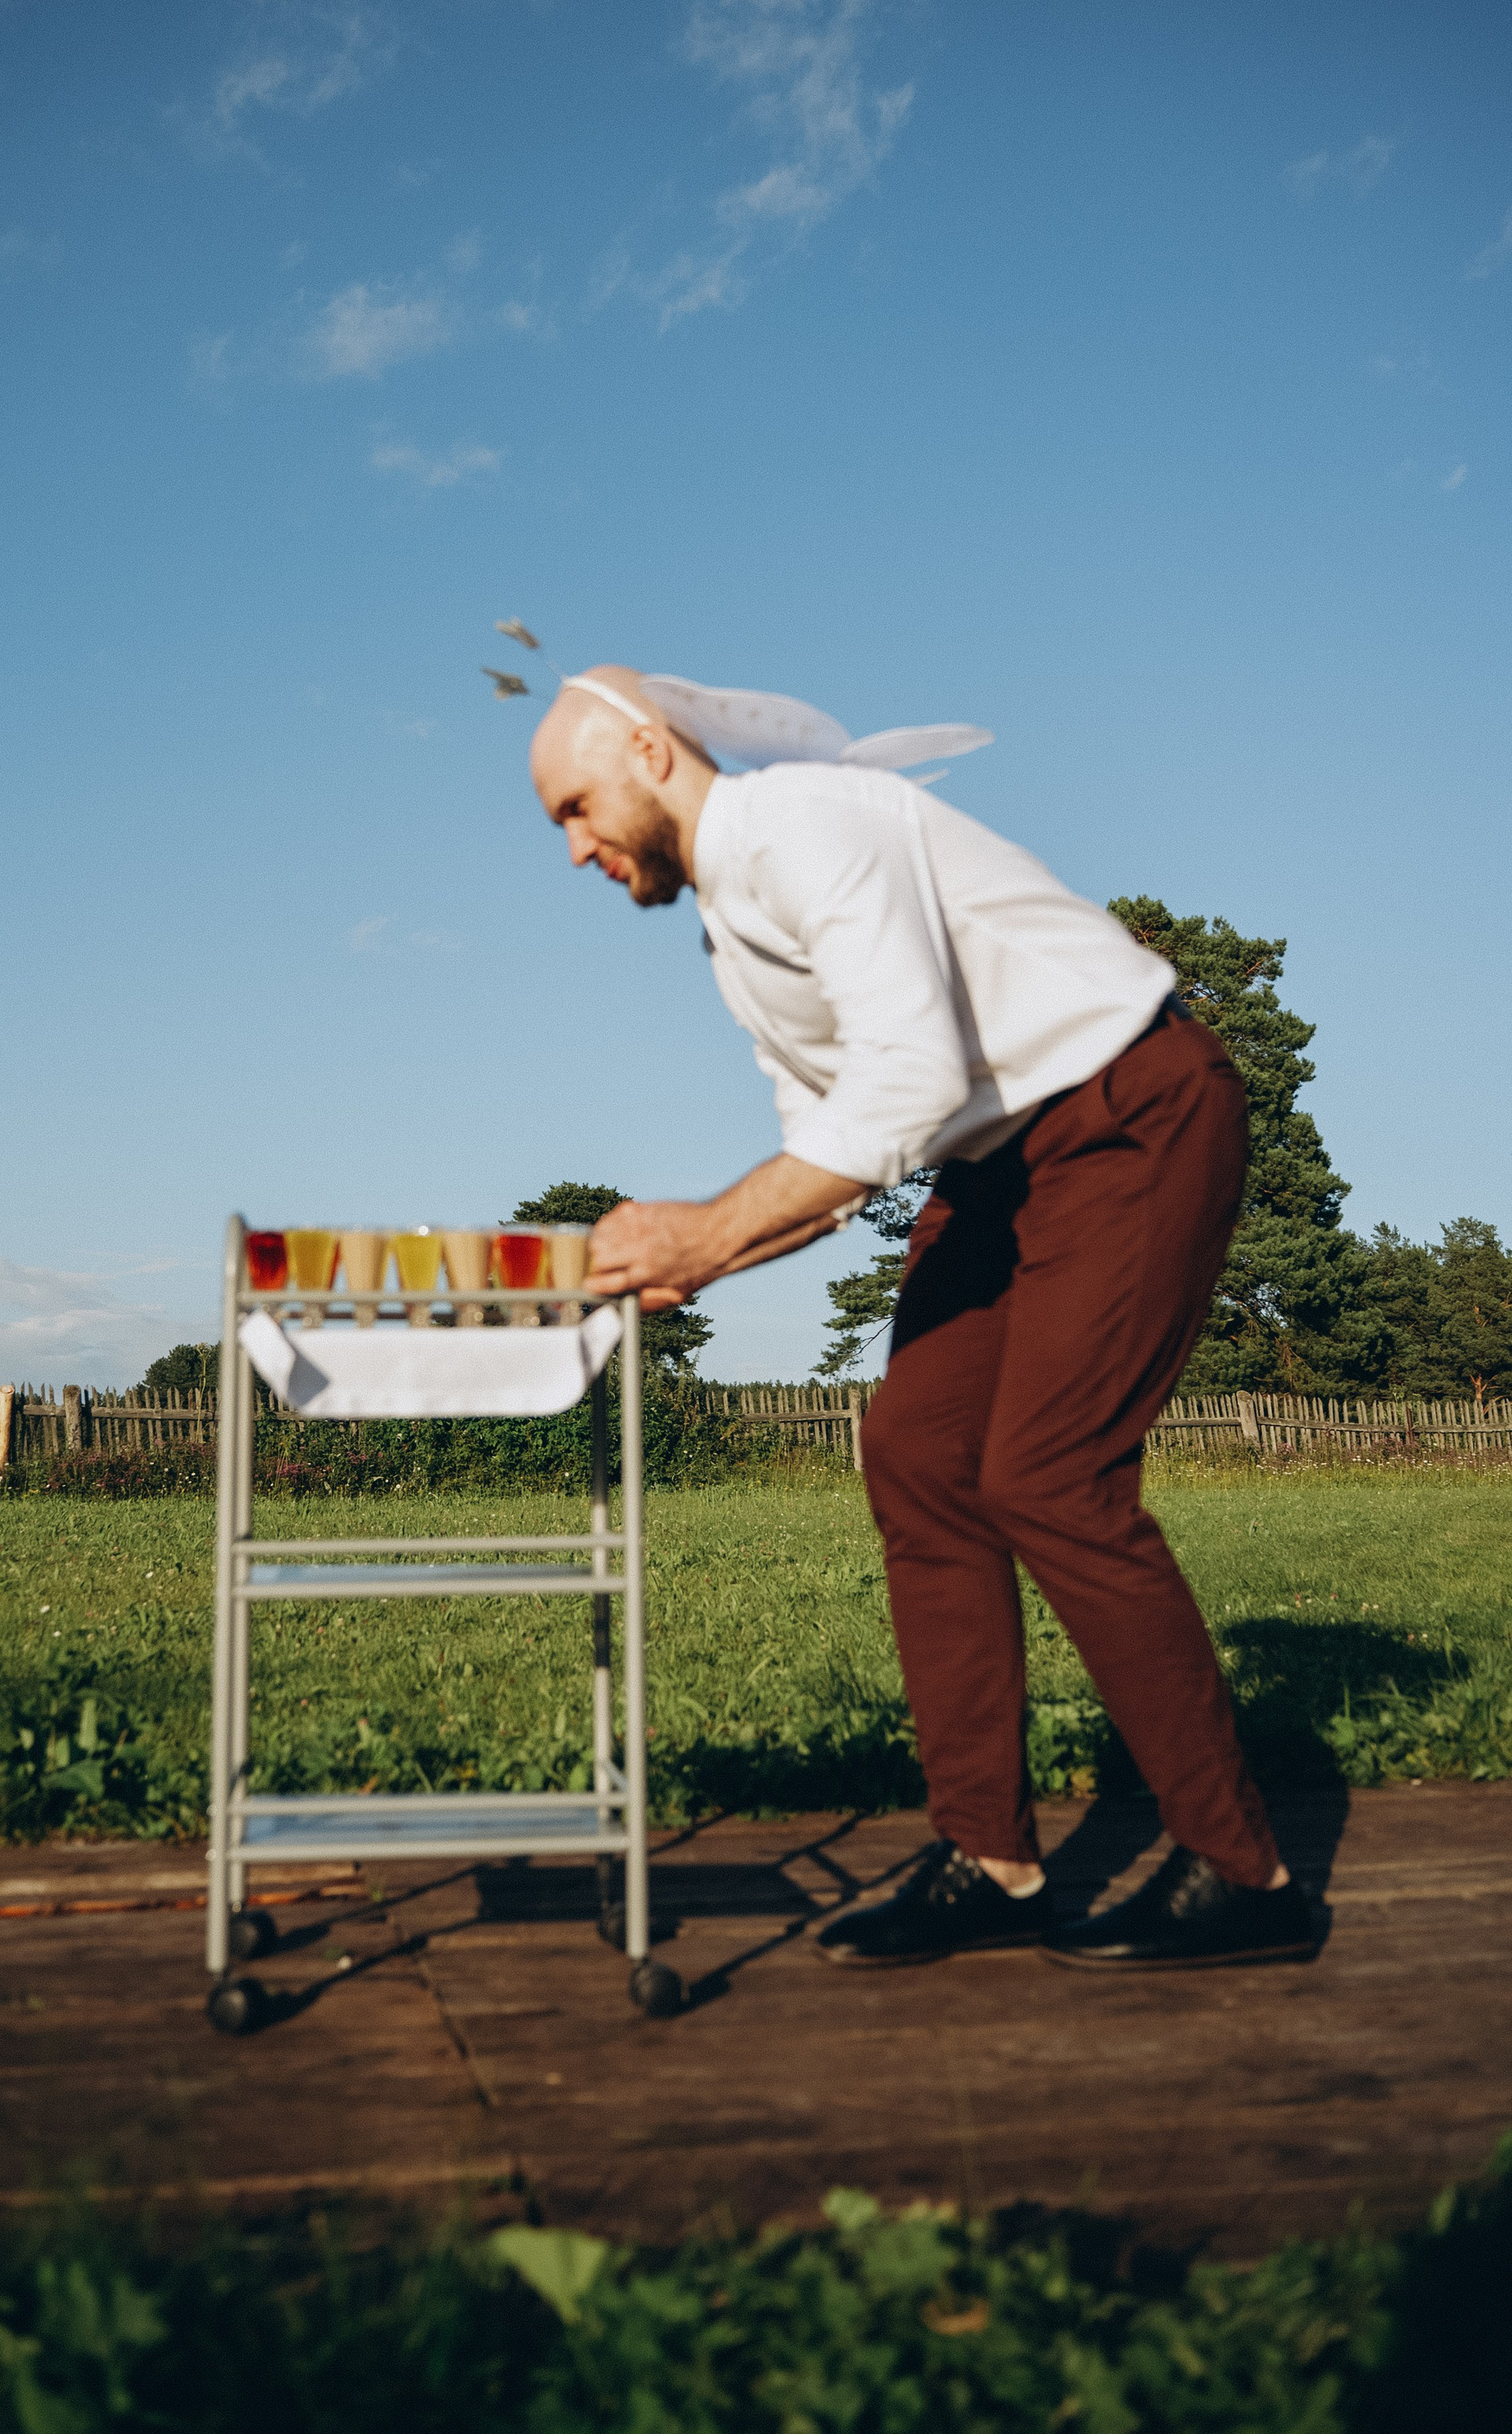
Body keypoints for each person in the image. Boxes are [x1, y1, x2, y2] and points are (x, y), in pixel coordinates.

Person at [529, 666, 1318, 1973]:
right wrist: (698, 1265)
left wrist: (710, 1226)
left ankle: (1250, 1872)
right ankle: (995, 1862)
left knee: (1051, 1476)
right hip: (1000, 1163)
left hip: (1130, 1108)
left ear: (651, 754)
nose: (575, 848)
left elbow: (905, 1081)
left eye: (575, 806)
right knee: (915, 1452)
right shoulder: (732, 931)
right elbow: (831, 1153)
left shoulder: (810, 825)